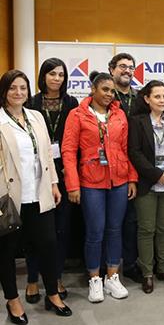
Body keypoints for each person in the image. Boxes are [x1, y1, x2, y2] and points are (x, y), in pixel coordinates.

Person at [0, 69, 72, 323]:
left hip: (40, 195)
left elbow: (47, 156)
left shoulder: (37, 117)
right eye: (12, 88)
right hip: (10, 198)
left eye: (23, 88)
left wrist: (53, 183)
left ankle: (52, 293)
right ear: (4, 92)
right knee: (7, 252)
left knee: (48, 246)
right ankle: (13, 300)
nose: (18, 93)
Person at [62, 71, 138, 303]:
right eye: (104, 89)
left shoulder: (119, 115)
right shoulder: (77, 115)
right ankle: (94, 279)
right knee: (95, 231)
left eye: (112, 90)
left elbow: (127, 149)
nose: (109, 94)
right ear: (93, 89)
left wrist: (132, 178)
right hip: (90, 182)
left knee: (115, 229)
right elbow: (68, 151)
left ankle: (112, 277)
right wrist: (72, 185)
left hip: (119, 180)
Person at [24, 57, 78, 304]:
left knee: (61, 229)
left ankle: (56, 277)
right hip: (37, 174)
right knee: (36, 230)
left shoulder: (71, 102)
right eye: (52, 74)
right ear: (43, 76)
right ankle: (33, 279)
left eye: (61, 75)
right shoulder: (31, 102)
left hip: (65, 173)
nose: (57, 79)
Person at [128, 80, 164, 293]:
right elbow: (134, 152)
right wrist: (156, 174)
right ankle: (147, 273)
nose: (161, 100)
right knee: (146, 229)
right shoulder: (137, 122)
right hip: (147, 184)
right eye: (157, 96)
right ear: (147, 99)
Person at [108, 53, 143, 283]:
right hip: (107, 165)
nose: (127, 71)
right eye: (122, 67)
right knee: (106, 222)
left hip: (135, 164)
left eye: (131, 67)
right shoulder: (105, 96)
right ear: (112, 69)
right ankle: (104, 265)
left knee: (131, 221)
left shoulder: (140, 97)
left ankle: (129, 264)